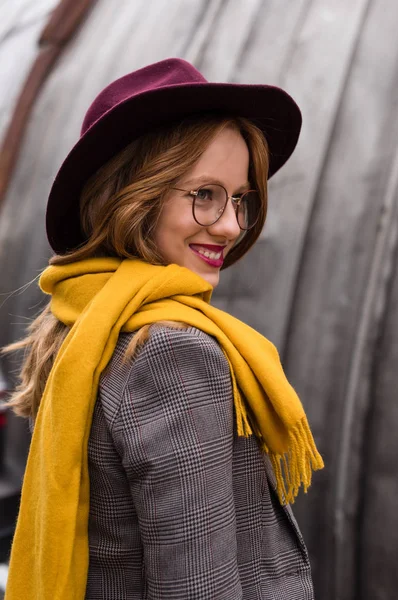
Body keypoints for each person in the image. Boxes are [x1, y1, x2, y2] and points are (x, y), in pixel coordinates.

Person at [4, 58, 323, 600]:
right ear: (134, 197)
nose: (229, 225)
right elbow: (198, 588)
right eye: (204, 195)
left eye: (240, 199)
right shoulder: (172, 352)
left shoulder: (81, 322)